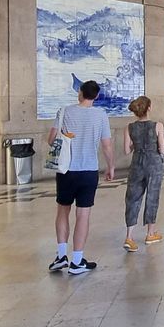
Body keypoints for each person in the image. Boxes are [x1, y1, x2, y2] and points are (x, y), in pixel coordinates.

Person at [48, 80, 115, 274]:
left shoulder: (64, 111)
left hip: (66, 170)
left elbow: (51, 140)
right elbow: (107, 145)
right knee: (83, 214)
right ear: (95, 96)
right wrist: (111, 166)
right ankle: (77, 260)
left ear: (80, 93)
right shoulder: (101, 115)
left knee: (62, 211)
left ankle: (61, 256)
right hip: (89, 170)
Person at [123, 95, 164, 252]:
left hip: (136, 164)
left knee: (132, 198)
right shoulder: (158, 125)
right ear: (149, 108)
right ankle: (150, 233)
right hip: (153, 164)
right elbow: (162, 149)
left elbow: (127, 150)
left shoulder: (129, 127)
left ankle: (129, 237)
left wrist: (137, 145)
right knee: (152, 197)